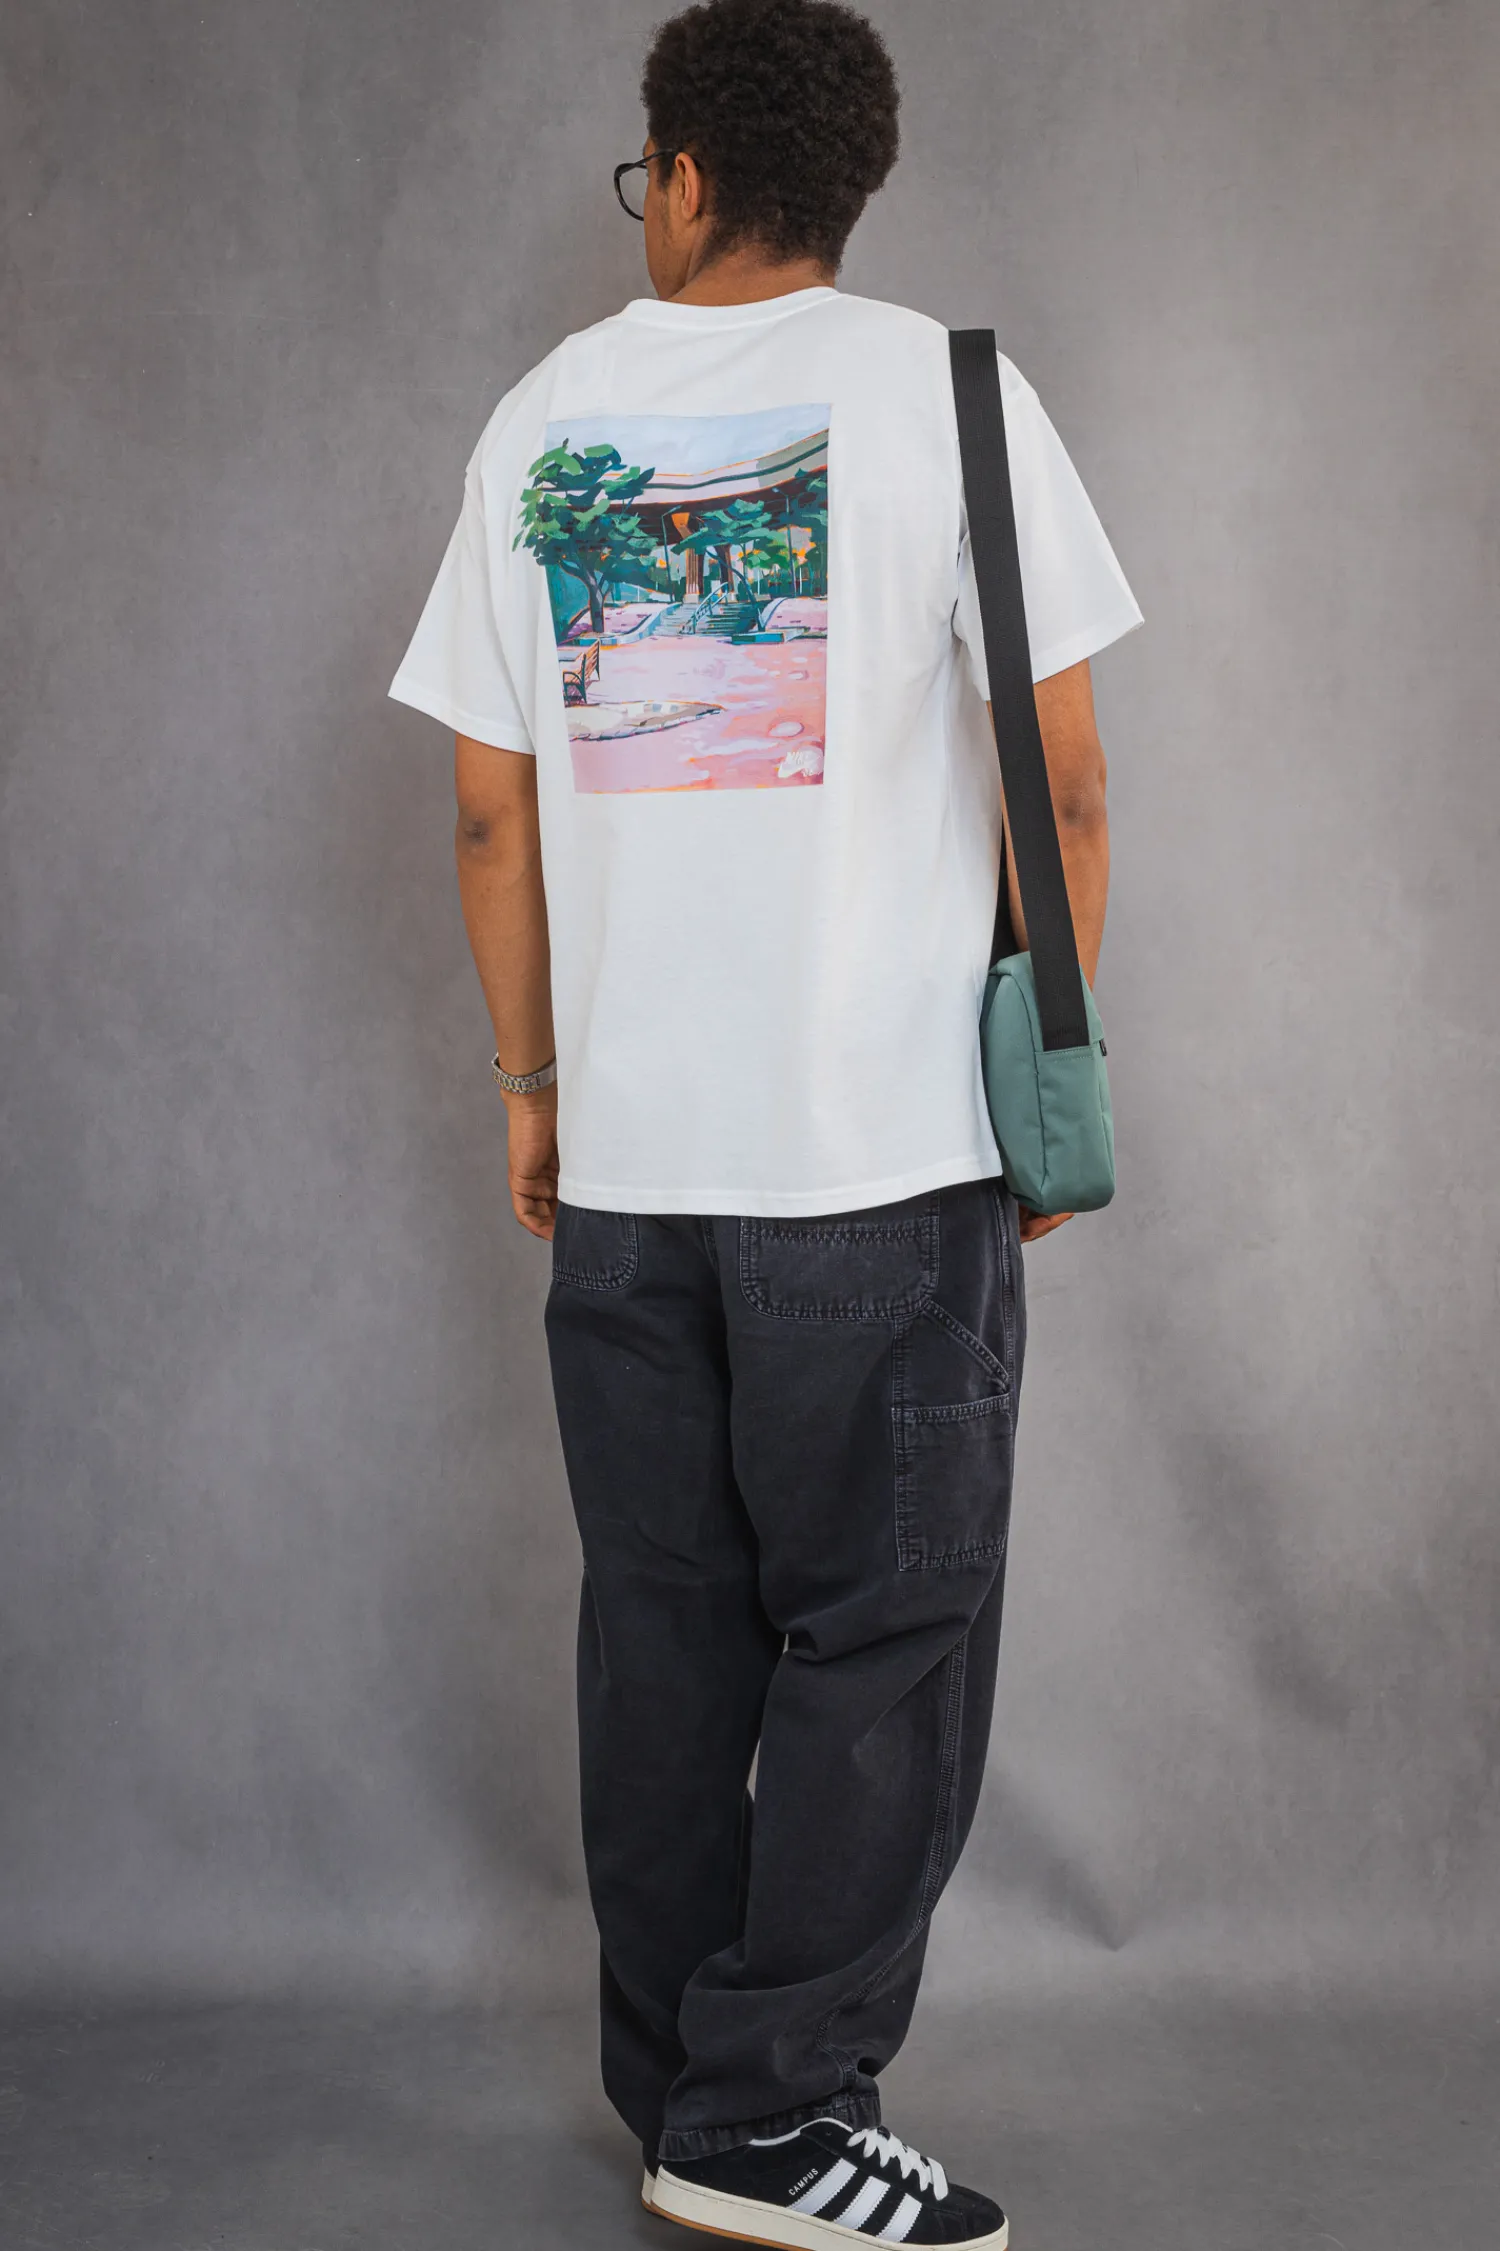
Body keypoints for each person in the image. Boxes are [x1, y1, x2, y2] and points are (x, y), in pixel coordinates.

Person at [389, 2, 1142, 2241]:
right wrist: (1044, 1070)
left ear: (692, 173)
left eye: (648, 176)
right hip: (878, 1164)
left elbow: (488, 818)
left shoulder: (542, 419)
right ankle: (774, 2117)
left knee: (664, 1643)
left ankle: (686, 2100)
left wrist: (533, 1082)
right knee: (884, 1639)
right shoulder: (956, 401)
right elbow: (1065, 785)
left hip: (628, 1173)